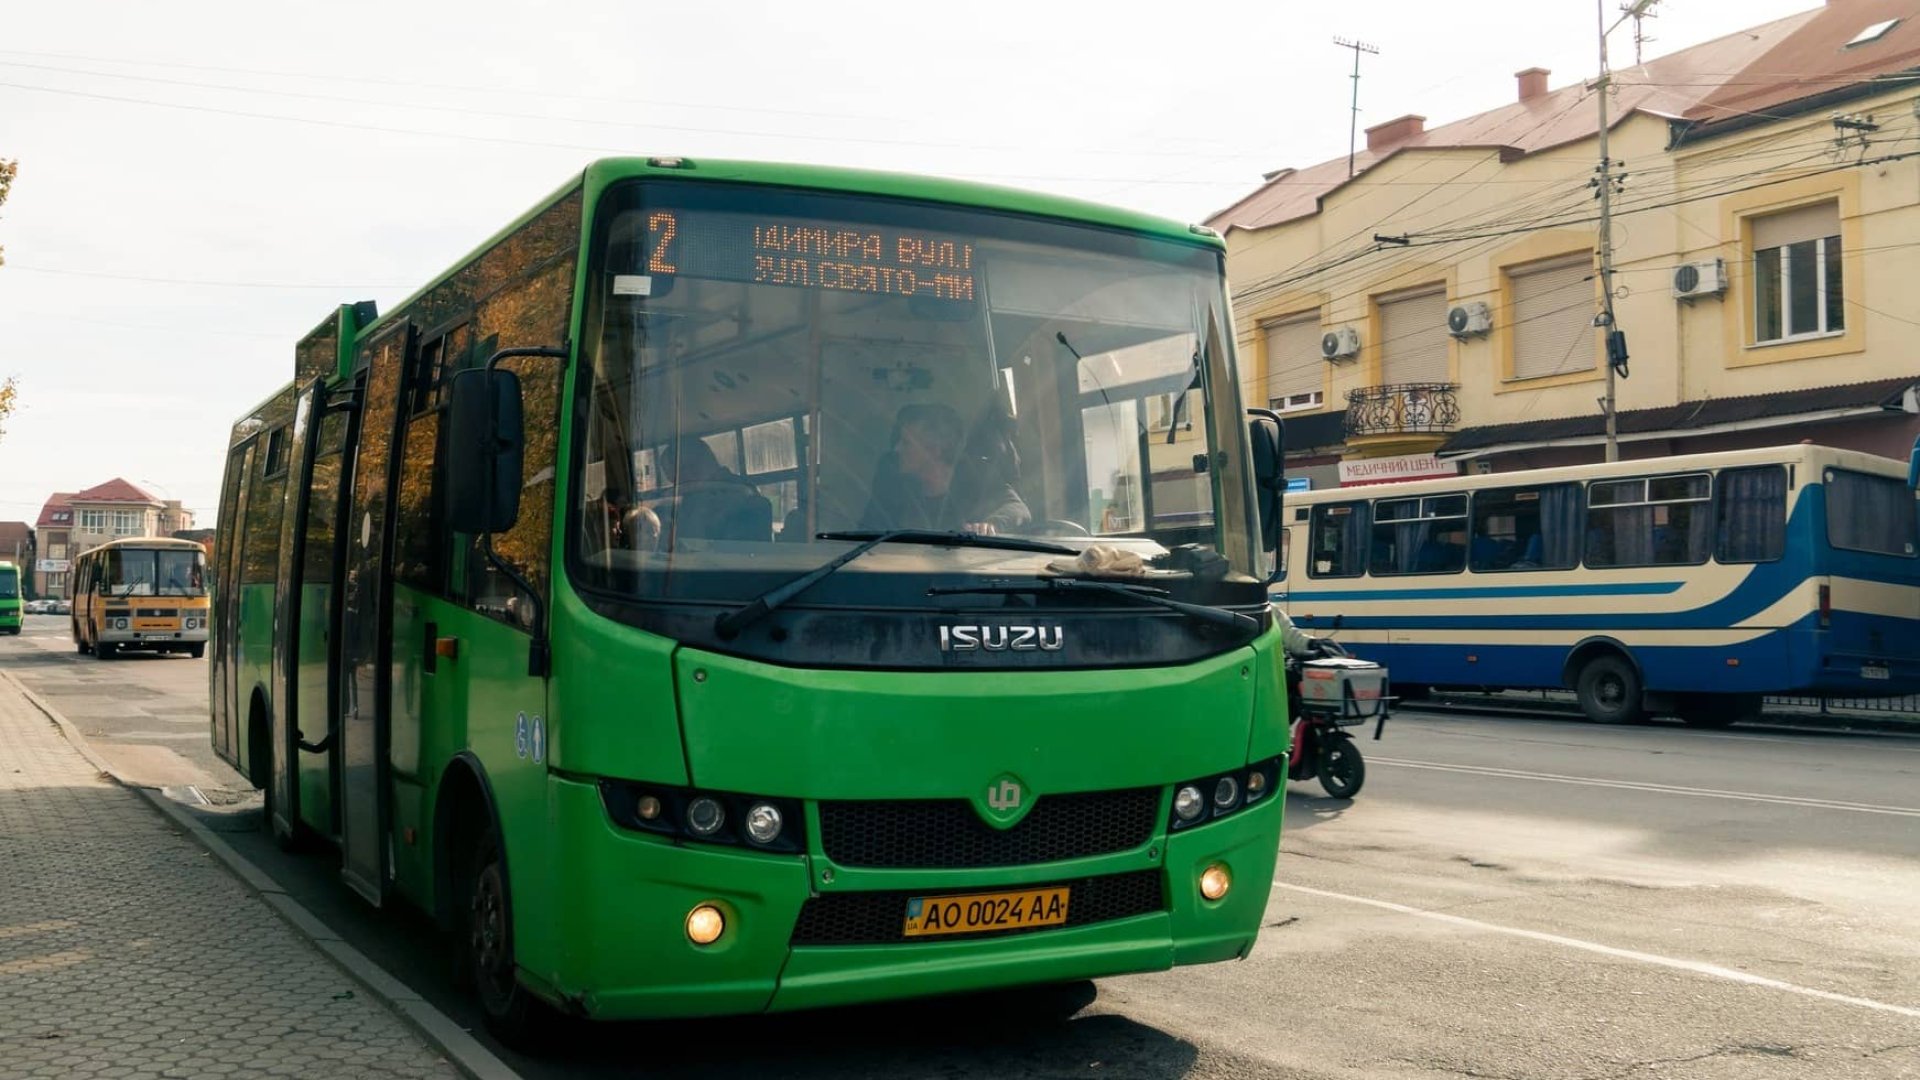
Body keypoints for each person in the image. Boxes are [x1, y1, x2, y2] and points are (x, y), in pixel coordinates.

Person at [859, 403, 1029, 535]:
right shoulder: (893, 485)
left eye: (906, 443)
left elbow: (1018, 509)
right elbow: (867, 532)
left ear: (934, 450)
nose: (896, 449)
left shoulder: (977, 476)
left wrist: (991, 525)